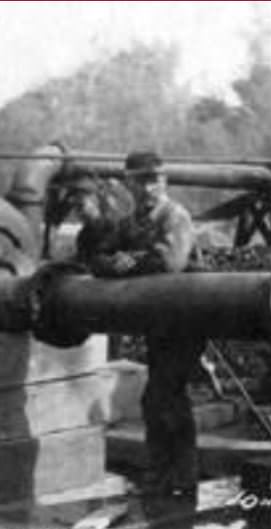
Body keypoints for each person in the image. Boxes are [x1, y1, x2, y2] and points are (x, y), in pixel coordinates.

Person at [79, 151, 204, 498]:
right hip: (159, 319)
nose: (150, 187)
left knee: (166, 395)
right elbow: (99, 258)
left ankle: (180, 476)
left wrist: (126, 262)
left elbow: (169, 261)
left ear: (164, 182)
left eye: (156, 179)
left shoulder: (174, 216)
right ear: (129, 184)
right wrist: (111, 260)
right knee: (158, 397)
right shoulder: (131, 222)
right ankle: (166, 474)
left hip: (186, 317)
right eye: (143, 180)